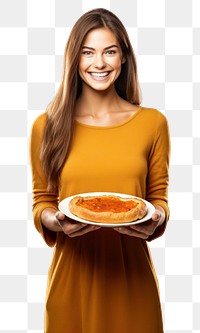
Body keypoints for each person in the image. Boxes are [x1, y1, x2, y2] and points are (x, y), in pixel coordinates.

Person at [30, 8, 170, 333]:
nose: (100, 63)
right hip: (71, 281)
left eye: (110, 51)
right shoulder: (47, 126)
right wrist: (56, 221)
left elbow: (158, 199)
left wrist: (157, 218)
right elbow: (43, 201)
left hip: (133, 282)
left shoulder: (153, 123)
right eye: (88, 52)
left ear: (123, 58)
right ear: (74, 59)